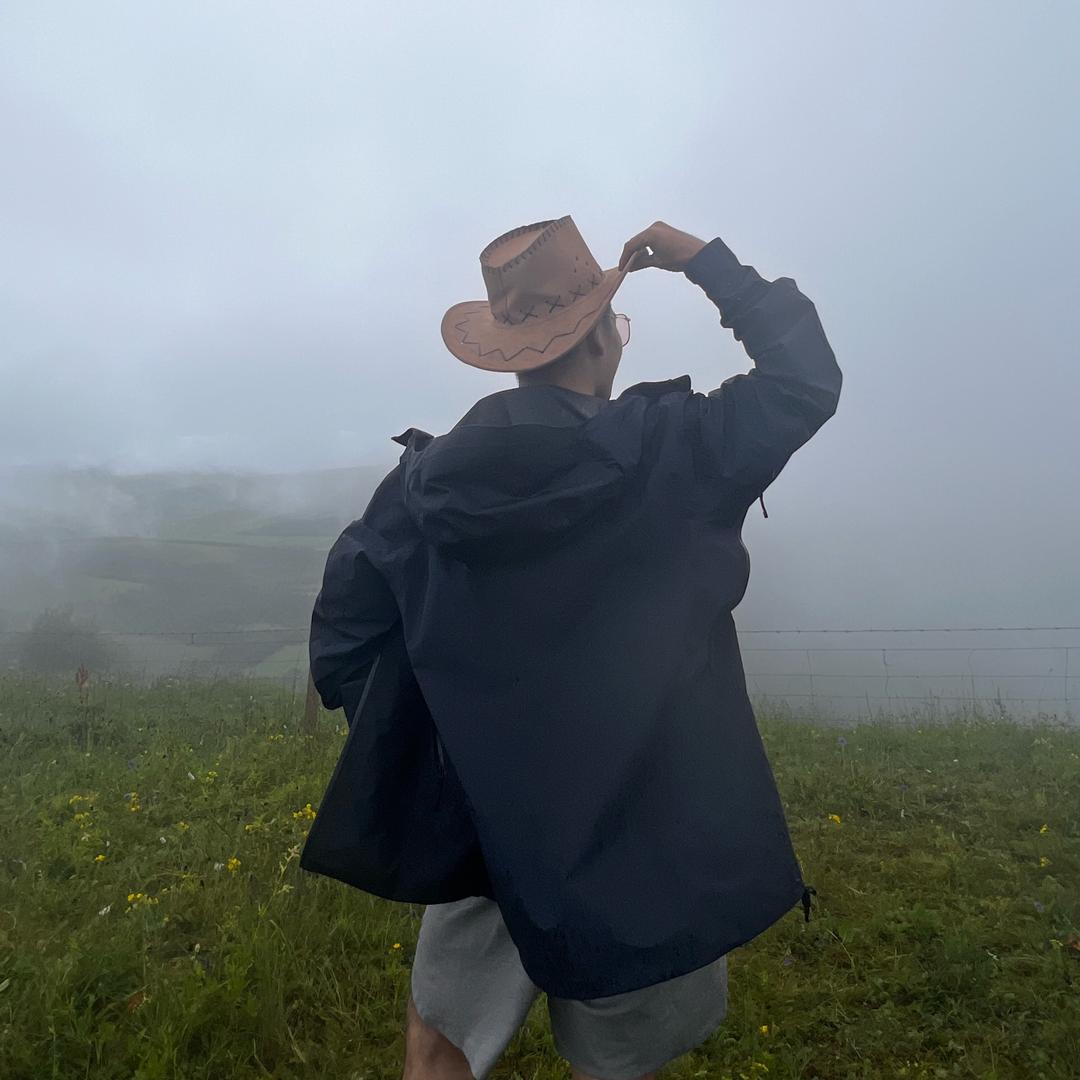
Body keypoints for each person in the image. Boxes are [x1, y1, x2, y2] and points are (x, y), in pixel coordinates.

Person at [304, 216, 842, 1080]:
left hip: (480, 823)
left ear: (513, 354)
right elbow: (804, 379)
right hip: (643, 834)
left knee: (438, 1046)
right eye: (614, 327)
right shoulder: (680, 451)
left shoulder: (423, 484)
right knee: (620, 1065)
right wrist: (710, 264)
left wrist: (427, 740)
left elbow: (343, 634)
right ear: (598, 335)